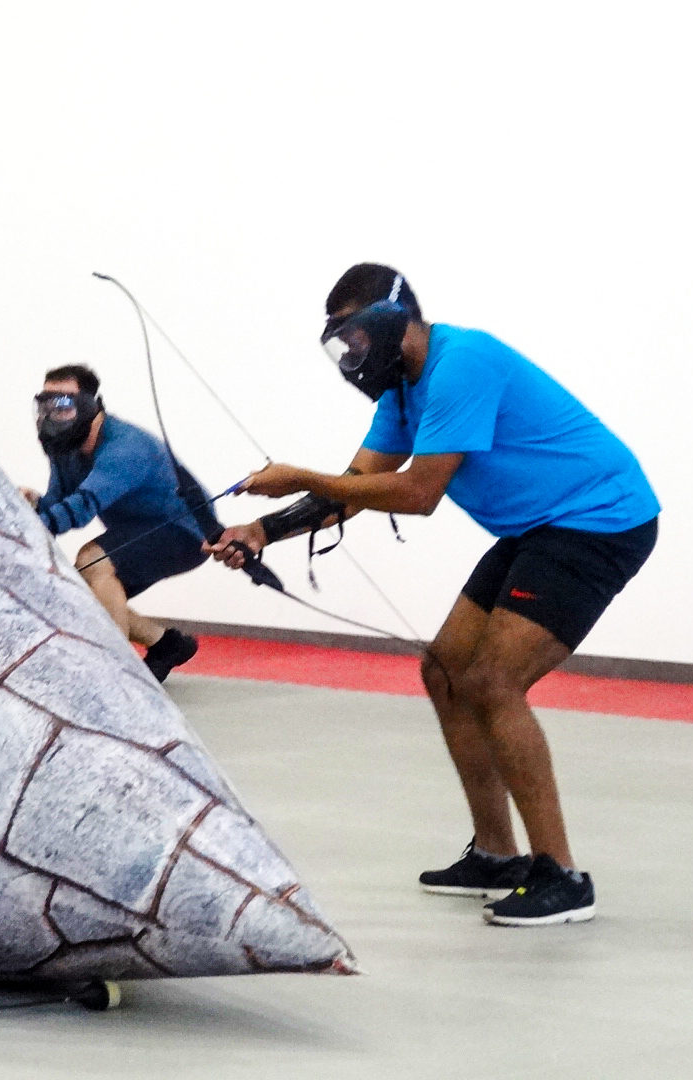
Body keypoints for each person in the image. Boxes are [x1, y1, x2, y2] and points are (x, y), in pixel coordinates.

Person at [206, 264, 659, 926]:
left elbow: (418, 494)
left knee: (494, 680)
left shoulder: (462, 363)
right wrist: (261, 530)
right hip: (536, 528)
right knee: (446, 670)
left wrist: (298, 474)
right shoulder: (401, 395)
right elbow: (352, 487)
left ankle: (561, 874)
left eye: (355, 337)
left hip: (598, 520)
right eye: (342, 345)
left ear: (394, 321)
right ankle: (497, 855)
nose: (352, 356)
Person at [22, 364, 221, 682]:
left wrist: (27, 528)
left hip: (185, 532)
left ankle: (118, 677)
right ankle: (166, 643)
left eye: (63, 404)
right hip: (138, 531)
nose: (52, 415)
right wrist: (24, 508)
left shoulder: (126, 447)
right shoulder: (66, 449)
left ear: (89, 404)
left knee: (93, 560)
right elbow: (59, 501)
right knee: (75, 590)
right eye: (46, 404)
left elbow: (83, 507)